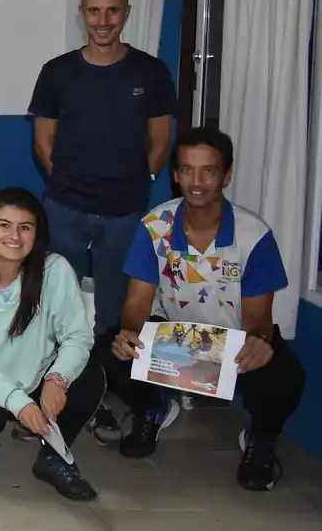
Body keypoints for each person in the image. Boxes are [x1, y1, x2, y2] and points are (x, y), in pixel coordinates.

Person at [98, 128, 303, 491]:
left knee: (287, 377)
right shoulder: (155, 226)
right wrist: (129, 332)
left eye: (208, 171)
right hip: (175, 344)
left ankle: (260, 440)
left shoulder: (253, 235)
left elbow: (258, 316)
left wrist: (257, 341)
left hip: (233, 349)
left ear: (227, 175)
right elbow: (137, 302)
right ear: (175, 175)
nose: (197, 182)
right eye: (187, 170)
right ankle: (154, 408)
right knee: (109, 350)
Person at [29, 0, 176, 342]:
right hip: (65, 207)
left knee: (117, 309)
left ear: (126, 13)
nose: (103, 21)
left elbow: (161, 141)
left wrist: (146, 180)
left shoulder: (151, 72)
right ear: (82, 13)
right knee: (55, 302)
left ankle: (106, 380)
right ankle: (57, 375)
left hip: (125, 211)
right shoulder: (57, 71)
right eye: (94, 11)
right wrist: (64, 183)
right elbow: (44, 142)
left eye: (112, 11)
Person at [0, 188, 103, 501]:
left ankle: (53, 458)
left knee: (91, 376)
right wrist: (21, 403)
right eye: (4, 225)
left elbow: (77, 335)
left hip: (40, 376)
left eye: (25, 227)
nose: (14, 236)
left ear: (36, 233)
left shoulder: (54, 270)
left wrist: (57, 379)